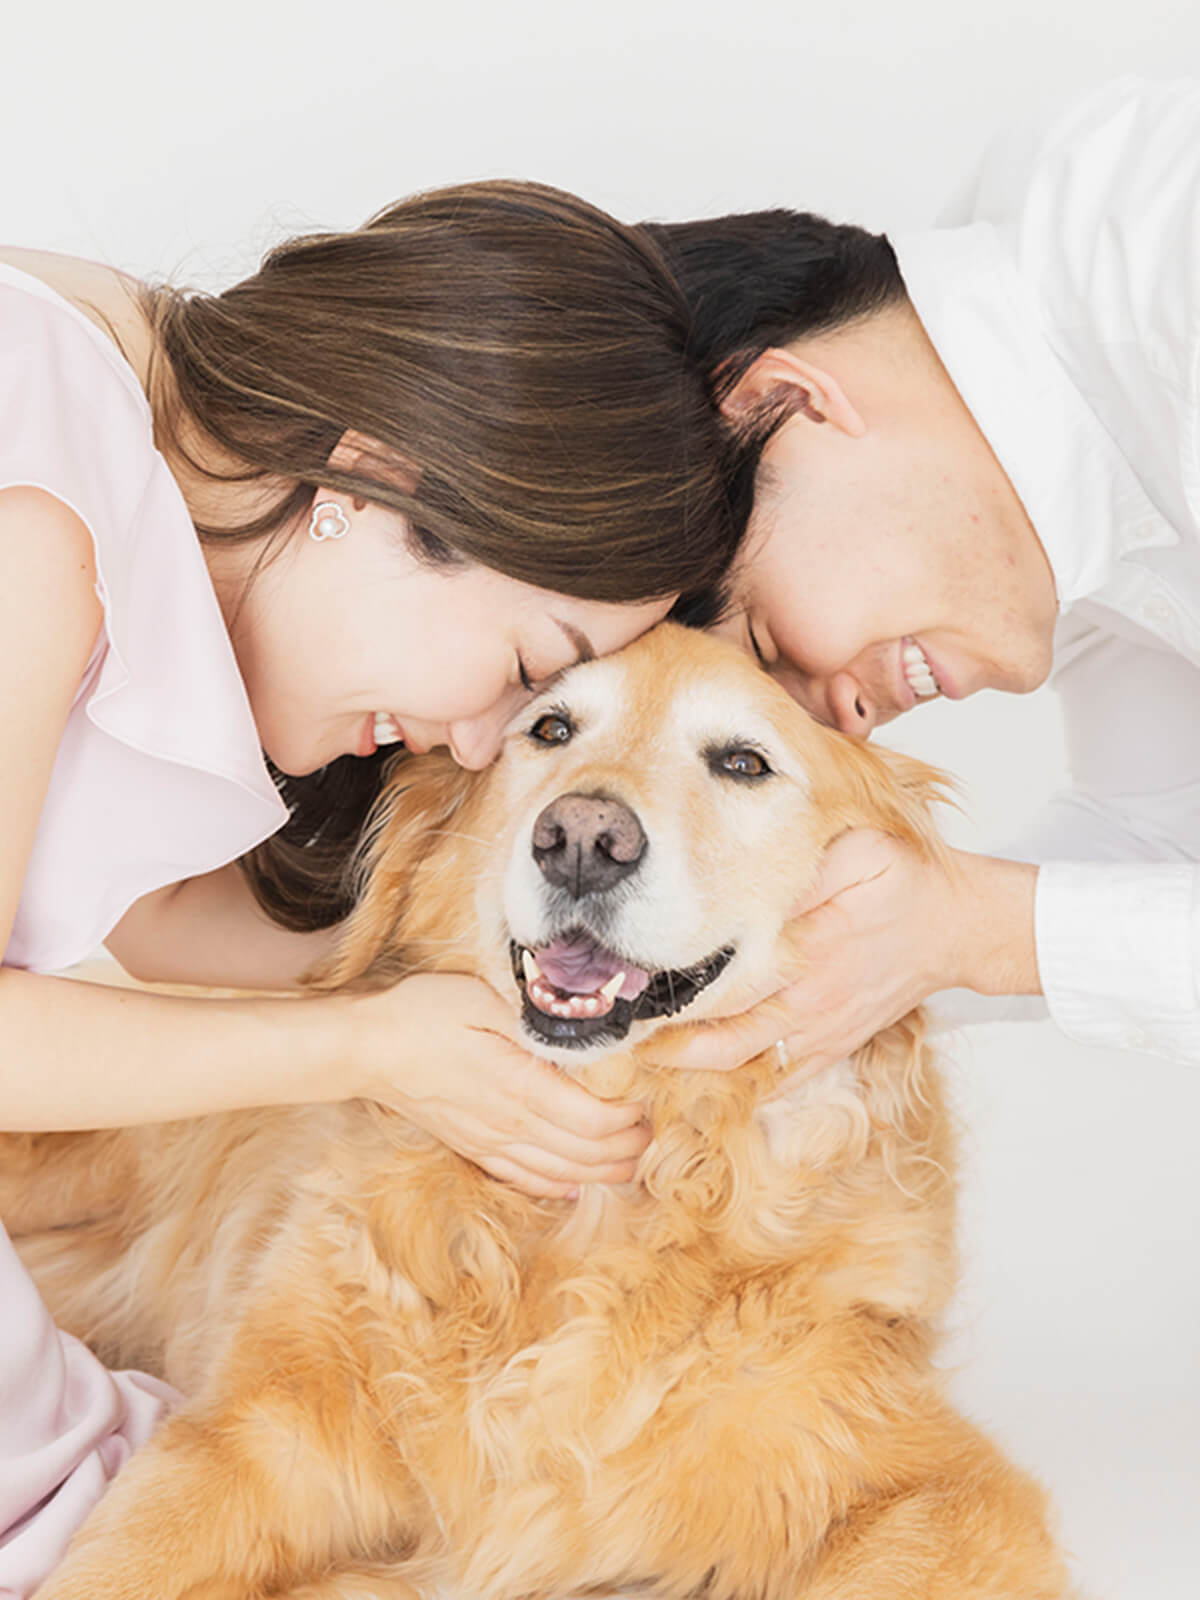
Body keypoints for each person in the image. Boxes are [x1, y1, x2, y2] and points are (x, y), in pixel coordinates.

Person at [0, 181, 745, 1592]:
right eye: (528, 670)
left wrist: (516, 989)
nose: (476, 741)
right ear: (379, 477)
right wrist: (367, 1043)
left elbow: (146, 912)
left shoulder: (153, 453)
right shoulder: (36, 516)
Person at [646, 77, 1200, 1076]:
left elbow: (1016, 919)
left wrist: (978, 931)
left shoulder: (1169, 255)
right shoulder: (1012, 461)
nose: (831, 722)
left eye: (768, 642)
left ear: (781, 401)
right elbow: (1162, 830)